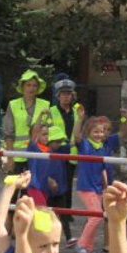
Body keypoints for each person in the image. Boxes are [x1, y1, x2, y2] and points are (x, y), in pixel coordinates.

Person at [74, 110, 127, 253]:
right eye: (95, 131)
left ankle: (89, 249)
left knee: (95, 217)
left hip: (98, 187)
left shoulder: (103, 146)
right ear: (89, 132)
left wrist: (105, 185)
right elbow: (77, 137)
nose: (99, 134)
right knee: (96, 216)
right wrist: (79, 119)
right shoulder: (85, 144)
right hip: (86, 186)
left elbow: (103, 169)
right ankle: (81, 243)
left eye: (102, 131)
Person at [47, 78, 85, 244]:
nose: (66, 97)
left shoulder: (77, 112)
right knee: (57, 184)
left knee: (68, 184)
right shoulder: (52, 111)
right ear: (58, 96)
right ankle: (58, 212)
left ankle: (66, 212)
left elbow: (80, 131)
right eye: (63, 94)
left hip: (72, 153)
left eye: (69, 94)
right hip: (56, 153)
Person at [2, 69, 52, 174]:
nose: (31, 88)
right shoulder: (13, 105)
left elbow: (49, 132)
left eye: (34, 85)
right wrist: (10, 158)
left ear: (38, 88)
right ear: (22, 87)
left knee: (33, 189)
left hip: (38, 155)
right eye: (28, 85)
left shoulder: (45, 105)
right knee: (13, 188)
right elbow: (8, 134)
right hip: (17, 156)